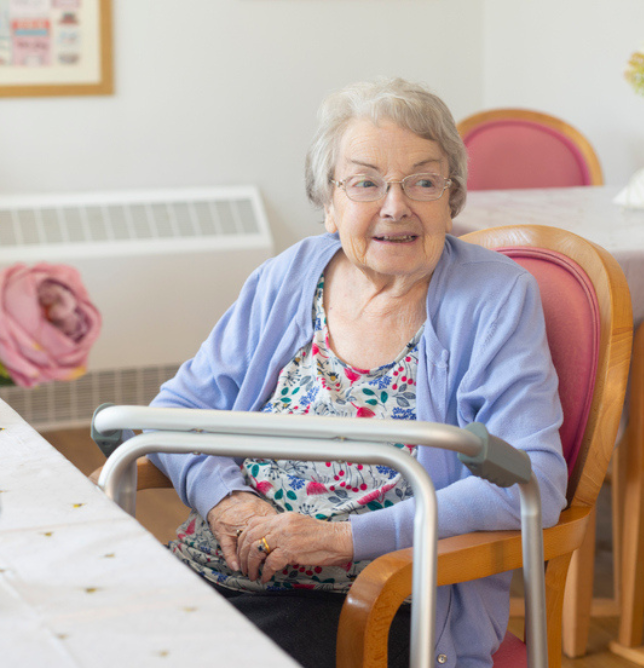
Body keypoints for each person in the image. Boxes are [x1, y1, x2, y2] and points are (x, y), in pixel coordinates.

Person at [147, 77, 568, 668]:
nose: (395, 206)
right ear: (329, 203)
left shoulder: (495, 298)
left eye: (422, 181)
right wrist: (230, 504)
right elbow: (177, 411)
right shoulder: (289, 275)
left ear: (452, 196)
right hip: (220, 567)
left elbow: (535, 480)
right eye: (366, 182)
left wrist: (343, 541)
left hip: (372, 599)